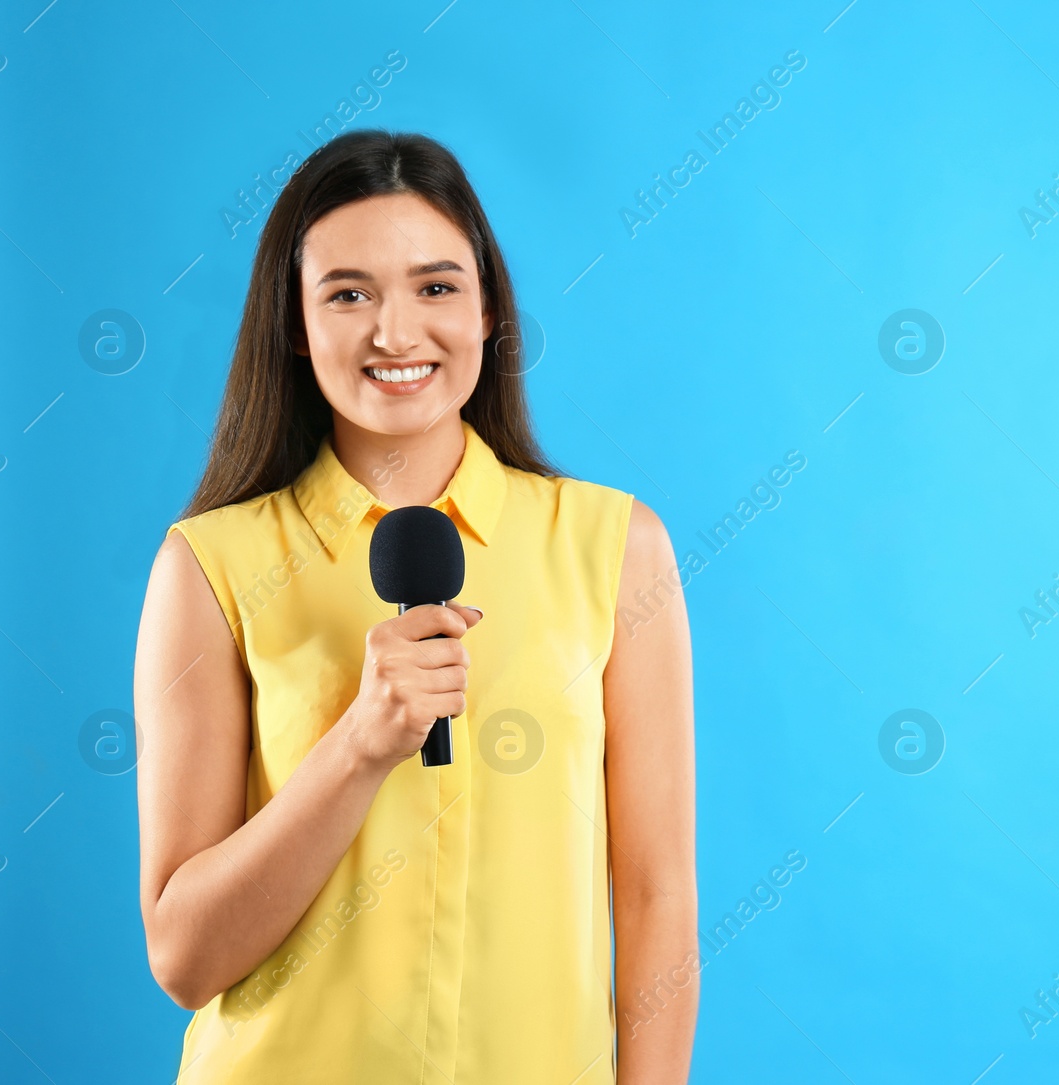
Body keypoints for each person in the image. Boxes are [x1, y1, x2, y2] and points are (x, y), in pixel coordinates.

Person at [132, 129, 697, 1083]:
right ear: (297, 325)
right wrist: (360, 743)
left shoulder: (617, 549)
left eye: (436, 287)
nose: (396, 333)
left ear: (487, 315)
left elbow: (655, 899)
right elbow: (184, 958)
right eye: (348, 293)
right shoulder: (210, 566)